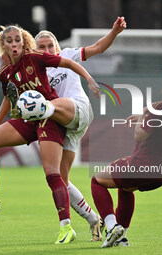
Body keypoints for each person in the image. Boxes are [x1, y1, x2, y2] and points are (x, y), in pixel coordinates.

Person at [0, 24, 100, 245]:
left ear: (23, 41)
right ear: (3, 44)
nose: (14, 43)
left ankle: (66, 227)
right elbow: (9, 99)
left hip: (50, 118)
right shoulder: (4, 72)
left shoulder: (36, 57)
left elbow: (68, 62)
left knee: (52, 173)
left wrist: (89, 79)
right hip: (29, 120)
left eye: (17, 39)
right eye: (9, 40)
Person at [31, 17, 127, 242]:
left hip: (79, 110)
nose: (47, 50)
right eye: (42, 47)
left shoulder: (67, 56)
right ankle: (94, 219)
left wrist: (114, 32)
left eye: (50, 45)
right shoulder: (35, 70)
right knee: (59, 179)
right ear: (36, 50)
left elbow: (97, 48)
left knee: (44, 107)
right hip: (66, 125)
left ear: (57, 46)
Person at [90, 62, 162, 248]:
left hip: (143, 166)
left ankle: (112, 226)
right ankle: (121, 237)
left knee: (97, 181)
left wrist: (144, 116)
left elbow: (140, 136)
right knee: (126, 188)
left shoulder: (160, 108)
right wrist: (145, 113)